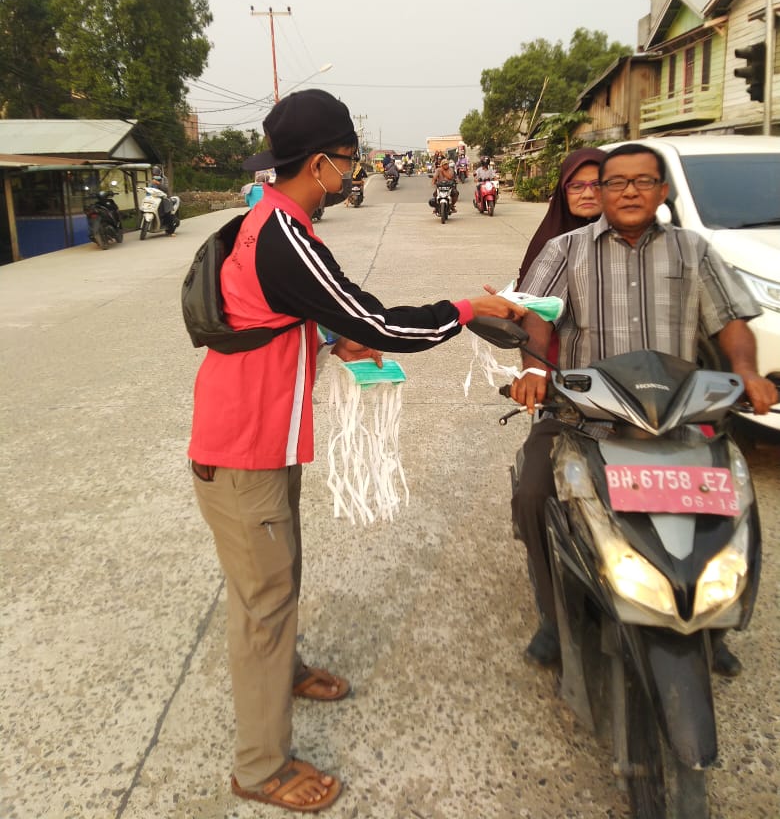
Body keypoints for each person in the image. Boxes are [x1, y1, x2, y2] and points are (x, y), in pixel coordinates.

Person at [187, 89, 526, 813]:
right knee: (263, 600)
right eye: (349, 163)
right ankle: (259, 766)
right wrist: (467, 310)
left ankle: (288, 668)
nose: (354, 175)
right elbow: (377, 320)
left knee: (279, 577)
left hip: (259, 441)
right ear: (319, 163)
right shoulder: (283, 236)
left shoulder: (276, 222)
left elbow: (296, 316)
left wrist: (331, 335)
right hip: (240, 448)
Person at [509, 142, 778, 676]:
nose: (629, 191)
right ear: (600, 191)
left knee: (729, 500)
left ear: (662, 191)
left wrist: (746, 370)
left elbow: (731, 321)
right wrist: (537, 368)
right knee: (533, 494)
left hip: (678, 415)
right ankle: (553, 615)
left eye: (643, 181)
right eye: (616, 182)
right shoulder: (566, 249)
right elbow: (537, 316)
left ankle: (713, 618)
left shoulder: (693, 250)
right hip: (587, 416)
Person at [515, 147, 606, 285]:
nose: (588, 194)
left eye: (598, 184)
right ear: (563, 192)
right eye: (577, 186)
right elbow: (528, 295)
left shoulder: (630, 239)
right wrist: (509, 301)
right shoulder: (548, 243)